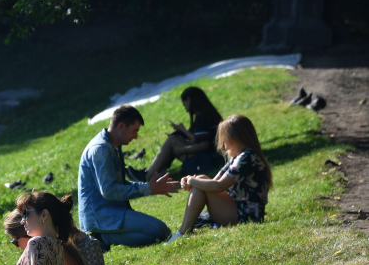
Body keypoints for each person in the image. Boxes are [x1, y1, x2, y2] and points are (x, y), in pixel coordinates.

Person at [78, 104, 179, 251]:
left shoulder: (113, 145)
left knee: (162, 234)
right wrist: (147, 189)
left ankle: (102, 238)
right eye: (134, 130)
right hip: (100, 216)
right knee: (160, 231)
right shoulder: (101, 149)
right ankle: (102, 237)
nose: (136, 136)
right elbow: (109, 191)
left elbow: (118, 183)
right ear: (121, 126)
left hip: (110, 210)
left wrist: (148, 186)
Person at [165, 114, 272, 243]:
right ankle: (184, 231)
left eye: (224, 137)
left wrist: (191, 181)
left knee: (199, 182)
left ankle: (183, 232)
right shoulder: (238, 157)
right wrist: (190, 180)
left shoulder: (247, 157)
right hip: (239, 211)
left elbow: (218, 186)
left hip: (247, 217)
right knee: (201, 179)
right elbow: (212, 182)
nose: (222, 142)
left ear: (235, 136)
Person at [127, 87, 224, 182]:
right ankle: (153, 172)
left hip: (208, 161)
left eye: (185, 103)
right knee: (174, 139)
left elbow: (204, 145)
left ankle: (147, 175)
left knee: (172, 141)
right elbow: (199, 141)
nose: (185, 107)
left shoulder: (201, 117)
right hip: (211, 158)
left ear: (190, 100)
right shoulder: (207, 113)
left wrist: (181, 148)